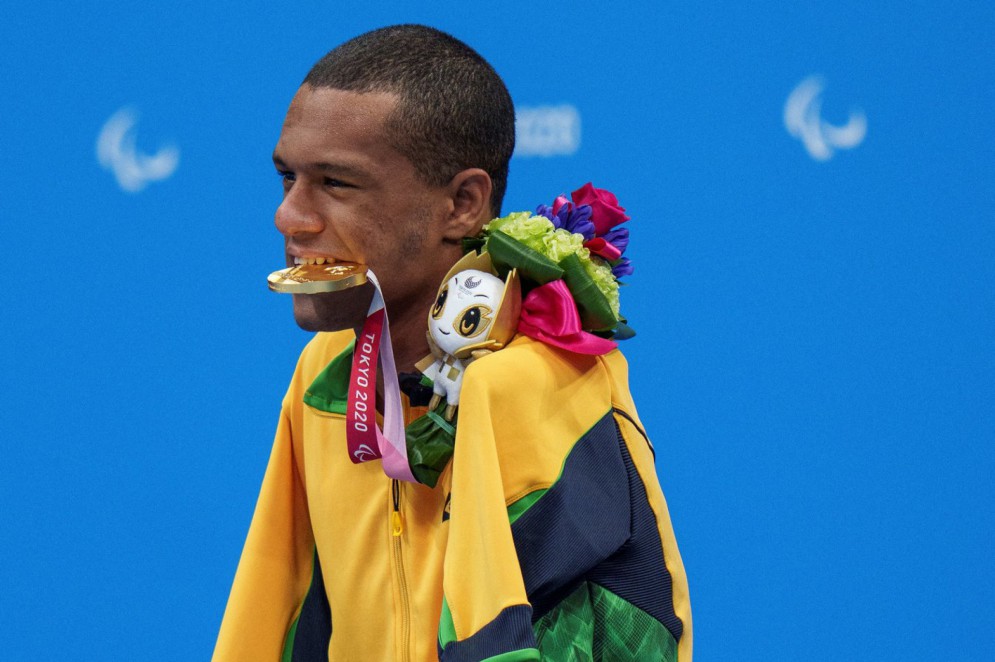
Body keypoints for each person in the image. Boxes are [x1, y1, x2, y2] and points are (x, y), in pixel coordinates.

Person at [213, 24, 692, 662]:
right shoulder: (326, 374)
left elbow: (625, 638)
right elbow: (275, 611)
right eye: (287, 178)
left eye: (336, 183)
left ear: (463, 204)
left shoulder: (536, 386)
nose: (290, 216)